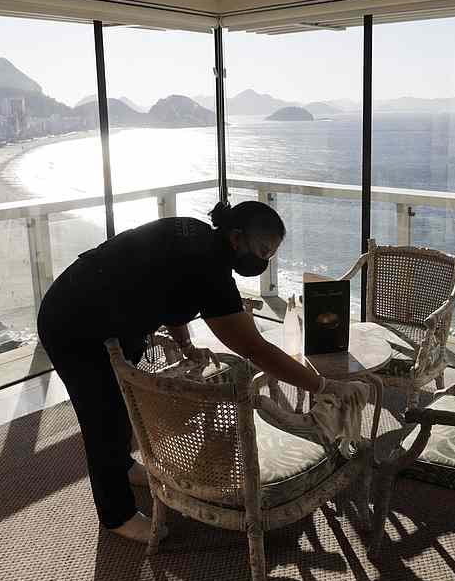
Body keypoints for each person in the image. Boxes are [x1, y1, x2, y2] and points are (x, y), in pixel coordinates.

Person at [37, 201, 365, 544]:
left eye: (270, 255)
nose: (264, 262)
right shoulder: (210, 271)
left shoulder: (195, 233)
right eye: (262, 251)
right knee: (102, 417)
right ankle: (115, 514)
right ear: (236, 238)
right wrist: (323, 385)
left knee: (121, 401)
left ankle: (122, 465)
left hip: (111, 316)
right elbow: (255, 349)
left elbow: (169, 294)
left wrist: (186, 344)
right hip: (72, 323)